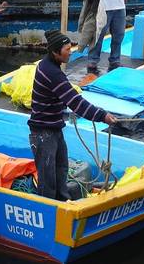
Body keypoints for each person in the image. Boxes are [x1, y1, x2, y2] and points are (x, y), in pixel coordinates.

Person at [28, 30, 117, 200]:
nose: (71, 52)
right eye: (67, 49)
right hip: (43, 134)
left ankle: (64, 203)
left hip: (54, 129)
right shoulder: (52, 72)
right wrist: (102, 116)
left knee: (61, 170)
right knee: (48, 180)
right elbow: (76, 103)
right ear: (55, 52)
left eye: (71, 48)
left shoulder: (50, 66)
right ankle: (50, 213)